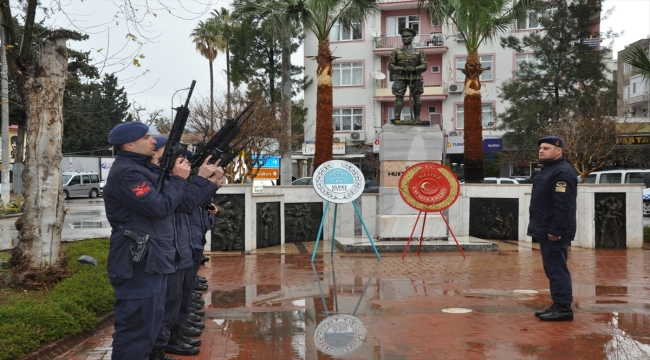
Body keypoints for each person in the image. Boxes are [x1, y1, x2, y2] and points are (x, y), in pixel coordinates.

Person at [103, 122, 191, 360]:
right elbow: (160, 207)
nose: (153, 141)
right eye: (147, 137)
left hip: (151, 260)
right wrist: (179, 180)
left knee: (149, 326)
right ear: (129, 144)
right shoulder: (128, 173)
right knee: (136, 330)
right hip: (137, 262)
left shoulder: (142, 169)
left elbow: (178, 203)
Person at [147, 137, 222, 359]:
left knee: (180, 297)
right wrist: (202, 181)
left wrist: (210, 186)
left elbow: (194, 206)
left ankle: (174, 334)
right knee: (169, 303)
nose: (183, 163)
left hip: (186, 245)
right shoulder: (165, 181)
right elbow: (185, 205)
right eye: (178, 158)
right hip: (173, 250)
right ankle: (166, 342)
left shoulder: (175, 180)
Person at [528, 136, 577, 321]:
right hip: (545, 228)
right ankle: (558, 304)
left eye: (546, 148)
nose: (541, 150)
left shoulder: (562, 173)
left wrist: (556, 230)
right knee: (552, 268)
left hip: (554, 231)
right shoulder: (547, 170)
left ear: (559, 151)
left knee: (557, 269)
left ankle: (564, 308)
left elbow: (563, 205)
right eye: (540, 147)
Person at [387, 27, 427, 123]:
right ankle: (397, 117)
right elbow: (390, 66)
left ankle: (417, 117)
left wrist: (415, 69)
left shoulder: (419, 52)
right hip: (400, 77)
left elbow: (424, 65)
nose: (405, 38)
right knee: (399, 97)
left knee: (417, 97)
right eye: (403, 37)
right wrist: (403, 69)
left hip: (415, 77)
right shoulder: (396, 52)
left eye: (407, 37)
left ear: (412, 38)